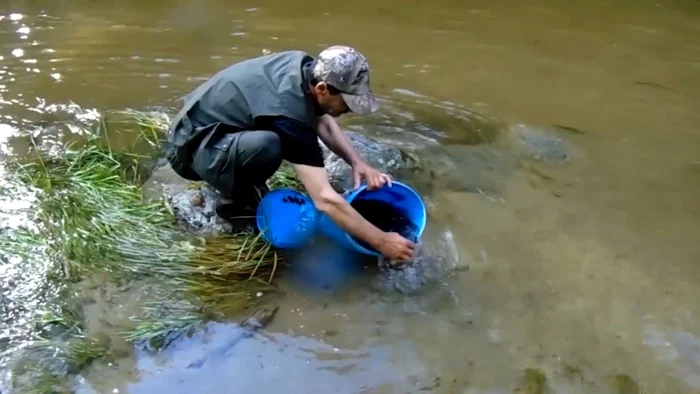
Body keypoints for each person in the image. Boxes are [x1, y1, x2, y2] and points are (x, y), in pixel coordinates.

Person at [165, 45, 416, 262]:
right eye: (347, 102)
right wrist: (381, 241)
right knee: (269, 146)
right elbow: (325, 200)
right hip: (190, 149)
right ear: (321, 89)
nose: (349, 110)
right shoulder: (290, 117)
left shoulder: (304, 67)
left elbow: (322, 119)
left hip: (206, 128)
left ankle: (234, 170)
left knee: (276, 140)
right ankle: (235, 200)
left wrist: (357, 162)